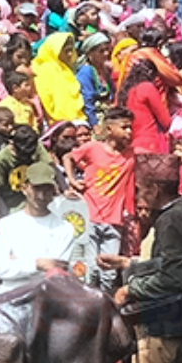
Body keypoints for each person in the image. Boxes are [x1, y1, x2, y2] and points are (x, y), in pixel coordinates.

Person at [100, 154, 182, 363]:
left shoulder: (169, 221)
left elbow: (174, 276)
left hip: (163, 328)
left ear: (154, 190)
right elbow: (173, 262)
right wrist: (129, 264)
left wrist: (130, 288)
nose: (138, 196)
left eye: (139, 189)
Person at [65, 107, 136, 294]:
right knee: (91, 268)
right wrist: (72, 180)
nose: (129, 132)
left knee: (109, 273)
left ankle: (106, 304)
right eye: (125, 127)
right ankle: (89, 304)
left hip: (114, 220)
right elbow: (68, 157)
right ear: (110, 129)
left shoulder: (130, 155)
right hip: (90, 215)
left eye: (131, 128)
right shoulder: (93, 148)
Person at [0, 162, 74, 294]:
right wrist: (38, 264)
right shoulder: (6, 225)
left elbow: (56, 271)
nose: (41, 195)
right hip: (9, 298)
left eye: (46, 190)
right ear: (24, 188)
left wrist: (18, 264)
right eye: (37, 189)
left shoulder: (64, 228)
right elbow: (0, 269)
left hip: (46, 298)